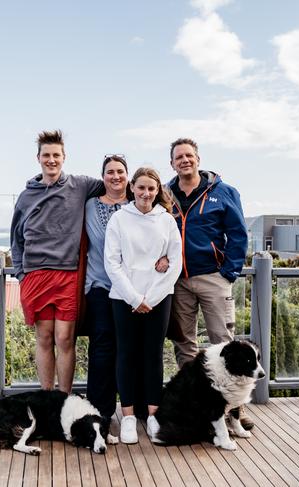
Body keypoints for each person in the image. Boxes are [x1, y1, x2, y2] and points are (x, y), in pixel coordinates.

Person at [165, 137, 251, 428]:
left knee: (225, 344)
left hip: (213, 278)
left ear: (198, 160)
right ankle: (195, 406)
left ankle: (234, 412)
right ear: (172, 163)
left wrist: (228, 272)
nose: (184, 161)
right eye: (179, 157)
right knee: (184, 344)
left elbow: (238, 234)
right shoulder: (166, 195)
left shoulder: (223, 192)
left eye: (189, 156)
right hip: (178, 281)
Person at [10, 130, 104, 393]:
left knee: (64, 338)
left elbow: (116, 184)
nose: (51, 160)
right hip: (35, 275)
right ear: (38, 158)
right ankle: (47, 398)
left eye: (56, 155)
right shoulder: (26, 196)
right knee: (44, 337)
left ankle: (63, 400)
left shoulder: (81, 184)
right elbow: (15, 239)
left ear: (64, 157)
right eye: (46, 155)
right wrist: (21, 274)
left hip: (68, 274)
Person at [84, 155, 168, 419]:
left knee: (137, 349)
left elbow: (160, 235)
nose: (115, 176)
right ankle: (100, 412)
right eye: (110, 172)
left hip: (135, 290)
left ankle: (141, 409)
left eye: (120, 171)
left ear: (129, 179)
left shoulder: (139, 206)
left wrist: (165, 257)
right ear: (103, 177)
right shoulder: (89, 206)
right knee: (103, 347)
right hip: (100, 284)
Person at [104, 167, 182, 444]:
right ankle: (126, 417)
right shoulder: (119, 219)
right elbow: (112, 262)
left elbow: (175, 262)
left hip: (159, 299)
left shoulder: (167, 221)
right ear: (132, 188)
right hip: (124, 299)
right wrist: (135, 299)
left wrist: (153, 298)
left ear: (158, 190)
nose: (146, 193)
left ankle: (152, 415)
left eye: (151, 188)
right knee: (125, 355)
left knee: (153, 355)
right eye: (141, 188)